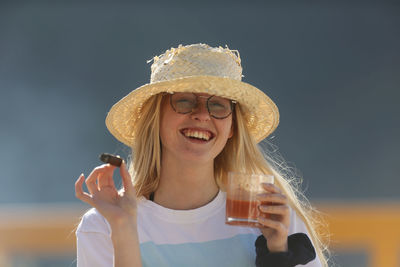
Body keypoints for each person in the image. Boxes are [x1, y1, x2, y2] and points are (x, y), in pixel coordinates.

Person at [75, 43, 328, 267]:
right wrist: (123, 230)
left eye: (218, 105)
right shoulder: (105, 223)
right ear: (155, 118)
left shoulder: (266, 211)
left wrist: (277, 254)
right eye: (184, 101)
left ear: (232, 128)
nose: (202, 115)